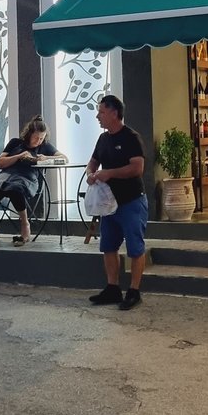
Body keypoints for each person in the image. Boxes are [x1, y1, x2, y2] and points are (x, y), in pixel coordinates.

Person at [86, 94, 148, 311]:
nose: (98, 116)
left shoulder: (131, 137)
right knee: (108, 246)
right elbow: (93, 162)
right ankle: (113, 288)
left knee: (134, 247)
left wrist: (109, 173)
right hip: (108, 204)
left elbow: (138, 167)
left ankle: (134, 290)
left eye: (101, 112)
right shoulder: (103, 139)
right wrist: (91, 173)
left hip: (131, 201)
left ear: (114, 113)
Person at [0, 115, 65, 245]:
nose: (38, 141)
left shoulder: (45, 147)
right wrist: (19, 156)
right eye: (36, 137)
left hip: (27, 180)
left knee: (14, 189)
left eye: (41, 138)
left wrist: (47, 158)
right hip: (4, 178)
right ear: (29, 134)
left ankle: (25, 224)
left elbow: (64, 158)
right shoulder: (15, 143)